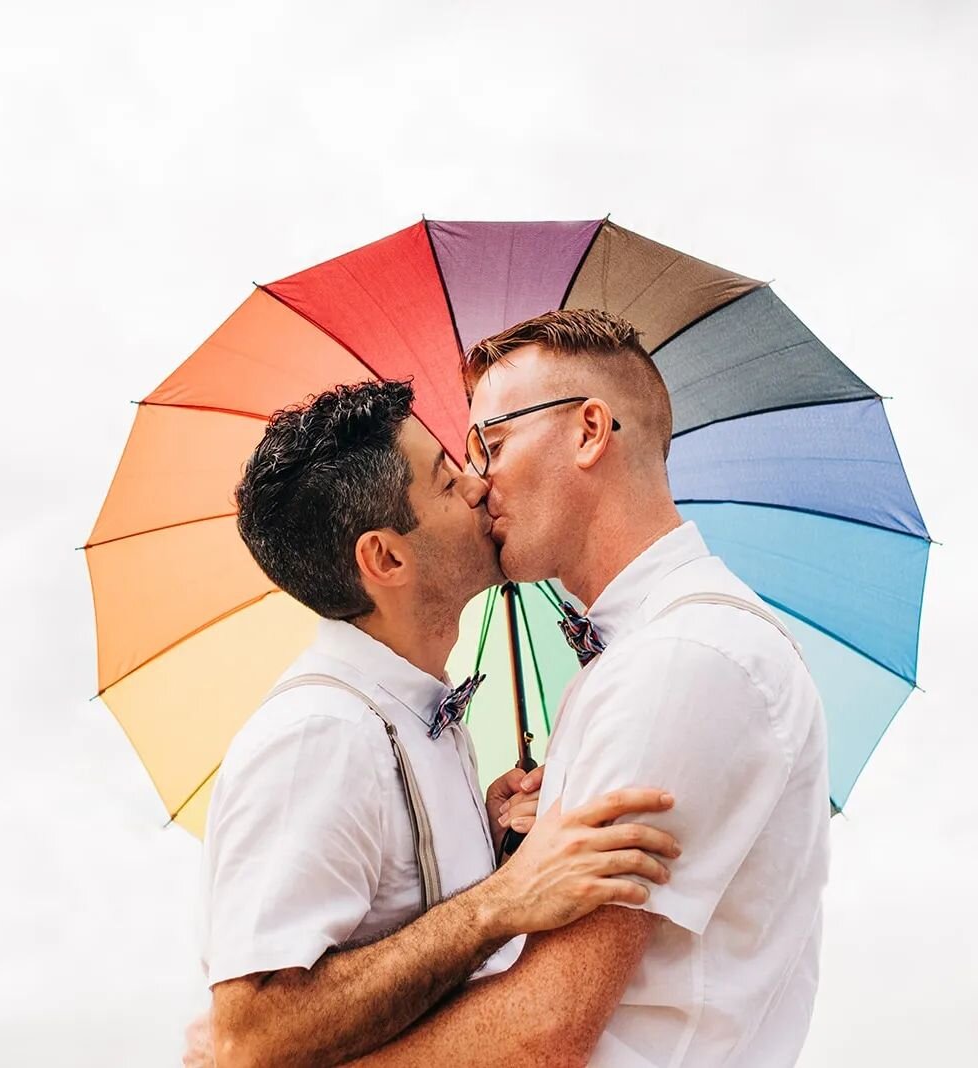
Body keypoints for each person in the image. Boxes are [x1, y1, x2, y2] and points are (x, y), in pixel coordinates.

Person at [335, 310, 830, 1066]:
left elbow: (545, 1031)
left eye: (490, 445)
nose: (475, 482)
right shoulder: (653, 653)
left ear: (590, 431)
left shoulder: (678, 661)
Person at [188, 380, 683, 1068]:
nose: (481, 486)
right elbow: (251, 1039)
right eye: (449, 483)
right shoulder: (320, 735)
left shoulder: (422, 718)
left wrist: (490, 839)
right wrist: (499, 902)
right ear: (386, 558)